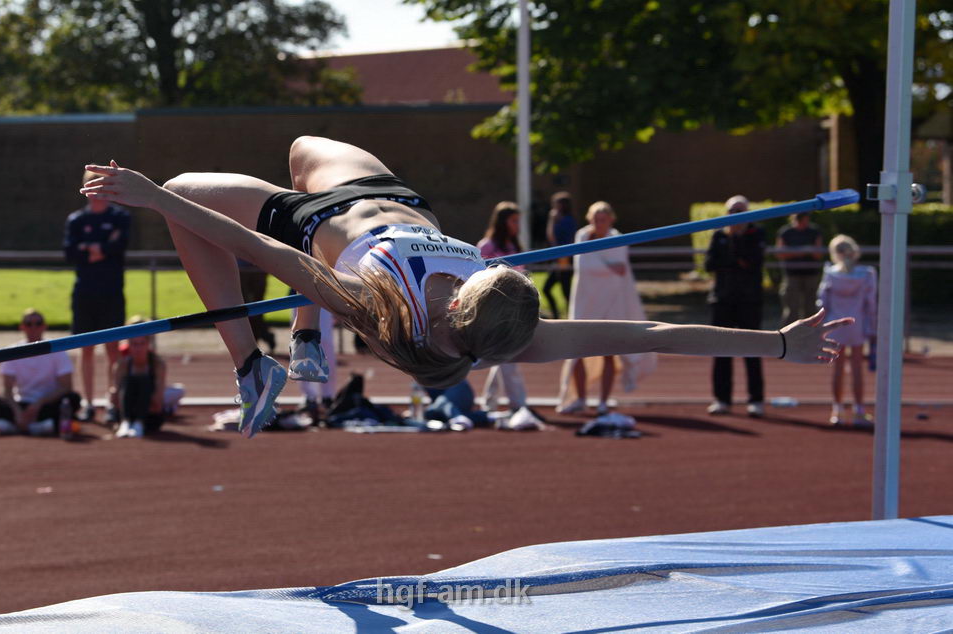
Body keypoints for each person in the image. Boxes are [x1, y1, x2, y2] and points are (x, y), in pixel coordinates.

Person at [79, 136, 850, 438]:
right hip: (380, 193)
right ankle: (305, 340)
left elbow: (251, 244)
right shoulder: (519, 335)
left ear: (458, 300)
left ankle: (253, 364)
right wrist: (777, 344)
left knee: (190, 195)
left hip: (320, 220)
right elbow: (654, 334)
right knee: (300, 150)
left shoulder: (379, 307)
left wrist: (150, 195)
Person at [557, 202, 656, 415]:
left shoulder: (618, 239)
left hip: (610, 302)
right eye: (595, 219)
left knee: (609, 352)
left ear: (611, 220)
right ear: (589, 219)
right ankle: (580, 398)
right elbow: (584, 266)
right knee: (577, 351)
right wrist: (607, 266)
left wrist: (603, 266)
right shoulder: (582, 236)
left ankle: (603, 401)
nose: (599, 223)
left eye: (603, 219)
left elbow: (620, 270)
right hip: (585, 301)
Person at [64, 171, 131, 422]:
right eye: (92, 187)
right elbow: (70, 253)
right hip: (85, 292)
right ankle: (88, 403)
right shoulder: (77, 220)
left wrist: (91, 248)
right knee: (86, 349)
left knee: (113, 347)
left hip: (111, 291)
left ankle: (112, 402)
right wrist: (101, 248)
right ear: (85, 189)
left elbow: (119, 246)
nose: (98, 193)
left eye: (102, 187)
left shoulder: (120, 217)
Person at [705, 195, 767, 417]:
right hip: (723, 299)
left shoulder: (756, 234)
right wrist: (733, 258)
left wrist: (737, 243)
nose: (735, 216)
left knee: (752, 349)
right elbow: (709, 264)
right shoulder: (719, 235)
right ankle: (722, 399)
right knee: (721, 350)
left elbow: (753, 262)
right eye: (731, 211)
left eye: (740, 211)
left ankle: (756, 399)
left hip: (749, 300)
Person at [0, 309, 81, 436]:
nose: (33, 327)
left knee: (73, 399)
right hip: (22, 404)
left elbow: (66, 387)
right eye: (28, 324)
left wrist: (40, 403)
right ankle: (42, 425)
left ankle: (15, 424)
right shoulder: (12, 352)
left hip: (47, 404)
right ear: (22, 327)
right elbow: (7, 390)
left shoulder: (57, 350)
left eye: (38, 323)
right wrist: (17, 412)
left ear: (44, 326)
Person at [818, 235, 876, 427]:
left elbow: (822, 302)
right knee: (857, 368)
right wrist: (872, 328)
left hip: (836, 325)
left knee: (838, 368)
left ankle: (838, 411)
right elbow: (870, 304)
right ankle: (859, 410)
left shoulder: (830, 273)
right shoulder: (867, 274)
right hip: (856, 324)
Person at [477, 201, 529, 412]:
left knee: (500, 357)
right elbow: (478, 276)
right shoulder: (487, 246)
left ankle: (489, 403)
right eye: (514, 221)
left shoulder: (514, 245)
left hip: (515, 306)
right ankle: (519, 405)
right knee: (508, 356)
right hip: (495, 308)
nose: (517, 225)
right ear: (502, 222)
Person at [109, 318, 170, 438]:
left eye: (142, 344)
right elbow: (115, 399)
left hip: (150, 416)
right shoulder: (122, 365)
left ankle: (139, 423)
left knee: (144, 382)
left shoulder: (157, 364)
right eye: (134, 344)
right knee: (128, 382)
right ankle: (125, 422)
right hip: (125, 412)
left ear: (148, 344)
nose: (138, 349)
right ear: (128, 344)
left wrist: (141, 401)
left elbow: (157, 403)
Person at [775, 212, 823, 324]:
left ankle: (811, 331)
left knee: (811, 307)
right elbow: (780, 253)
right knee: (791, 307)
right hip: (792, 275)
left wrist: (794, 252)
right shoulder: (786, 232)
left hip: (811, 274)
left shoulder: (814, 231)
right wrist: (803, 251)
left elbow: (818, 254)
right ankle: (788, 332)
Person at [542, 191, 577, 319]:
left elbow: (552, 238)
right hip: (558, 260)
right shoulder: (561, 220)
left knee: (566, 293)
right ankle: (556, 315)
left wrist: (552, 220)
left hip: (564, 260)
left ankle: (572, 317)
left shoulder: (567, 221)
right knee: (547, 289)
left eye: (555, 204)